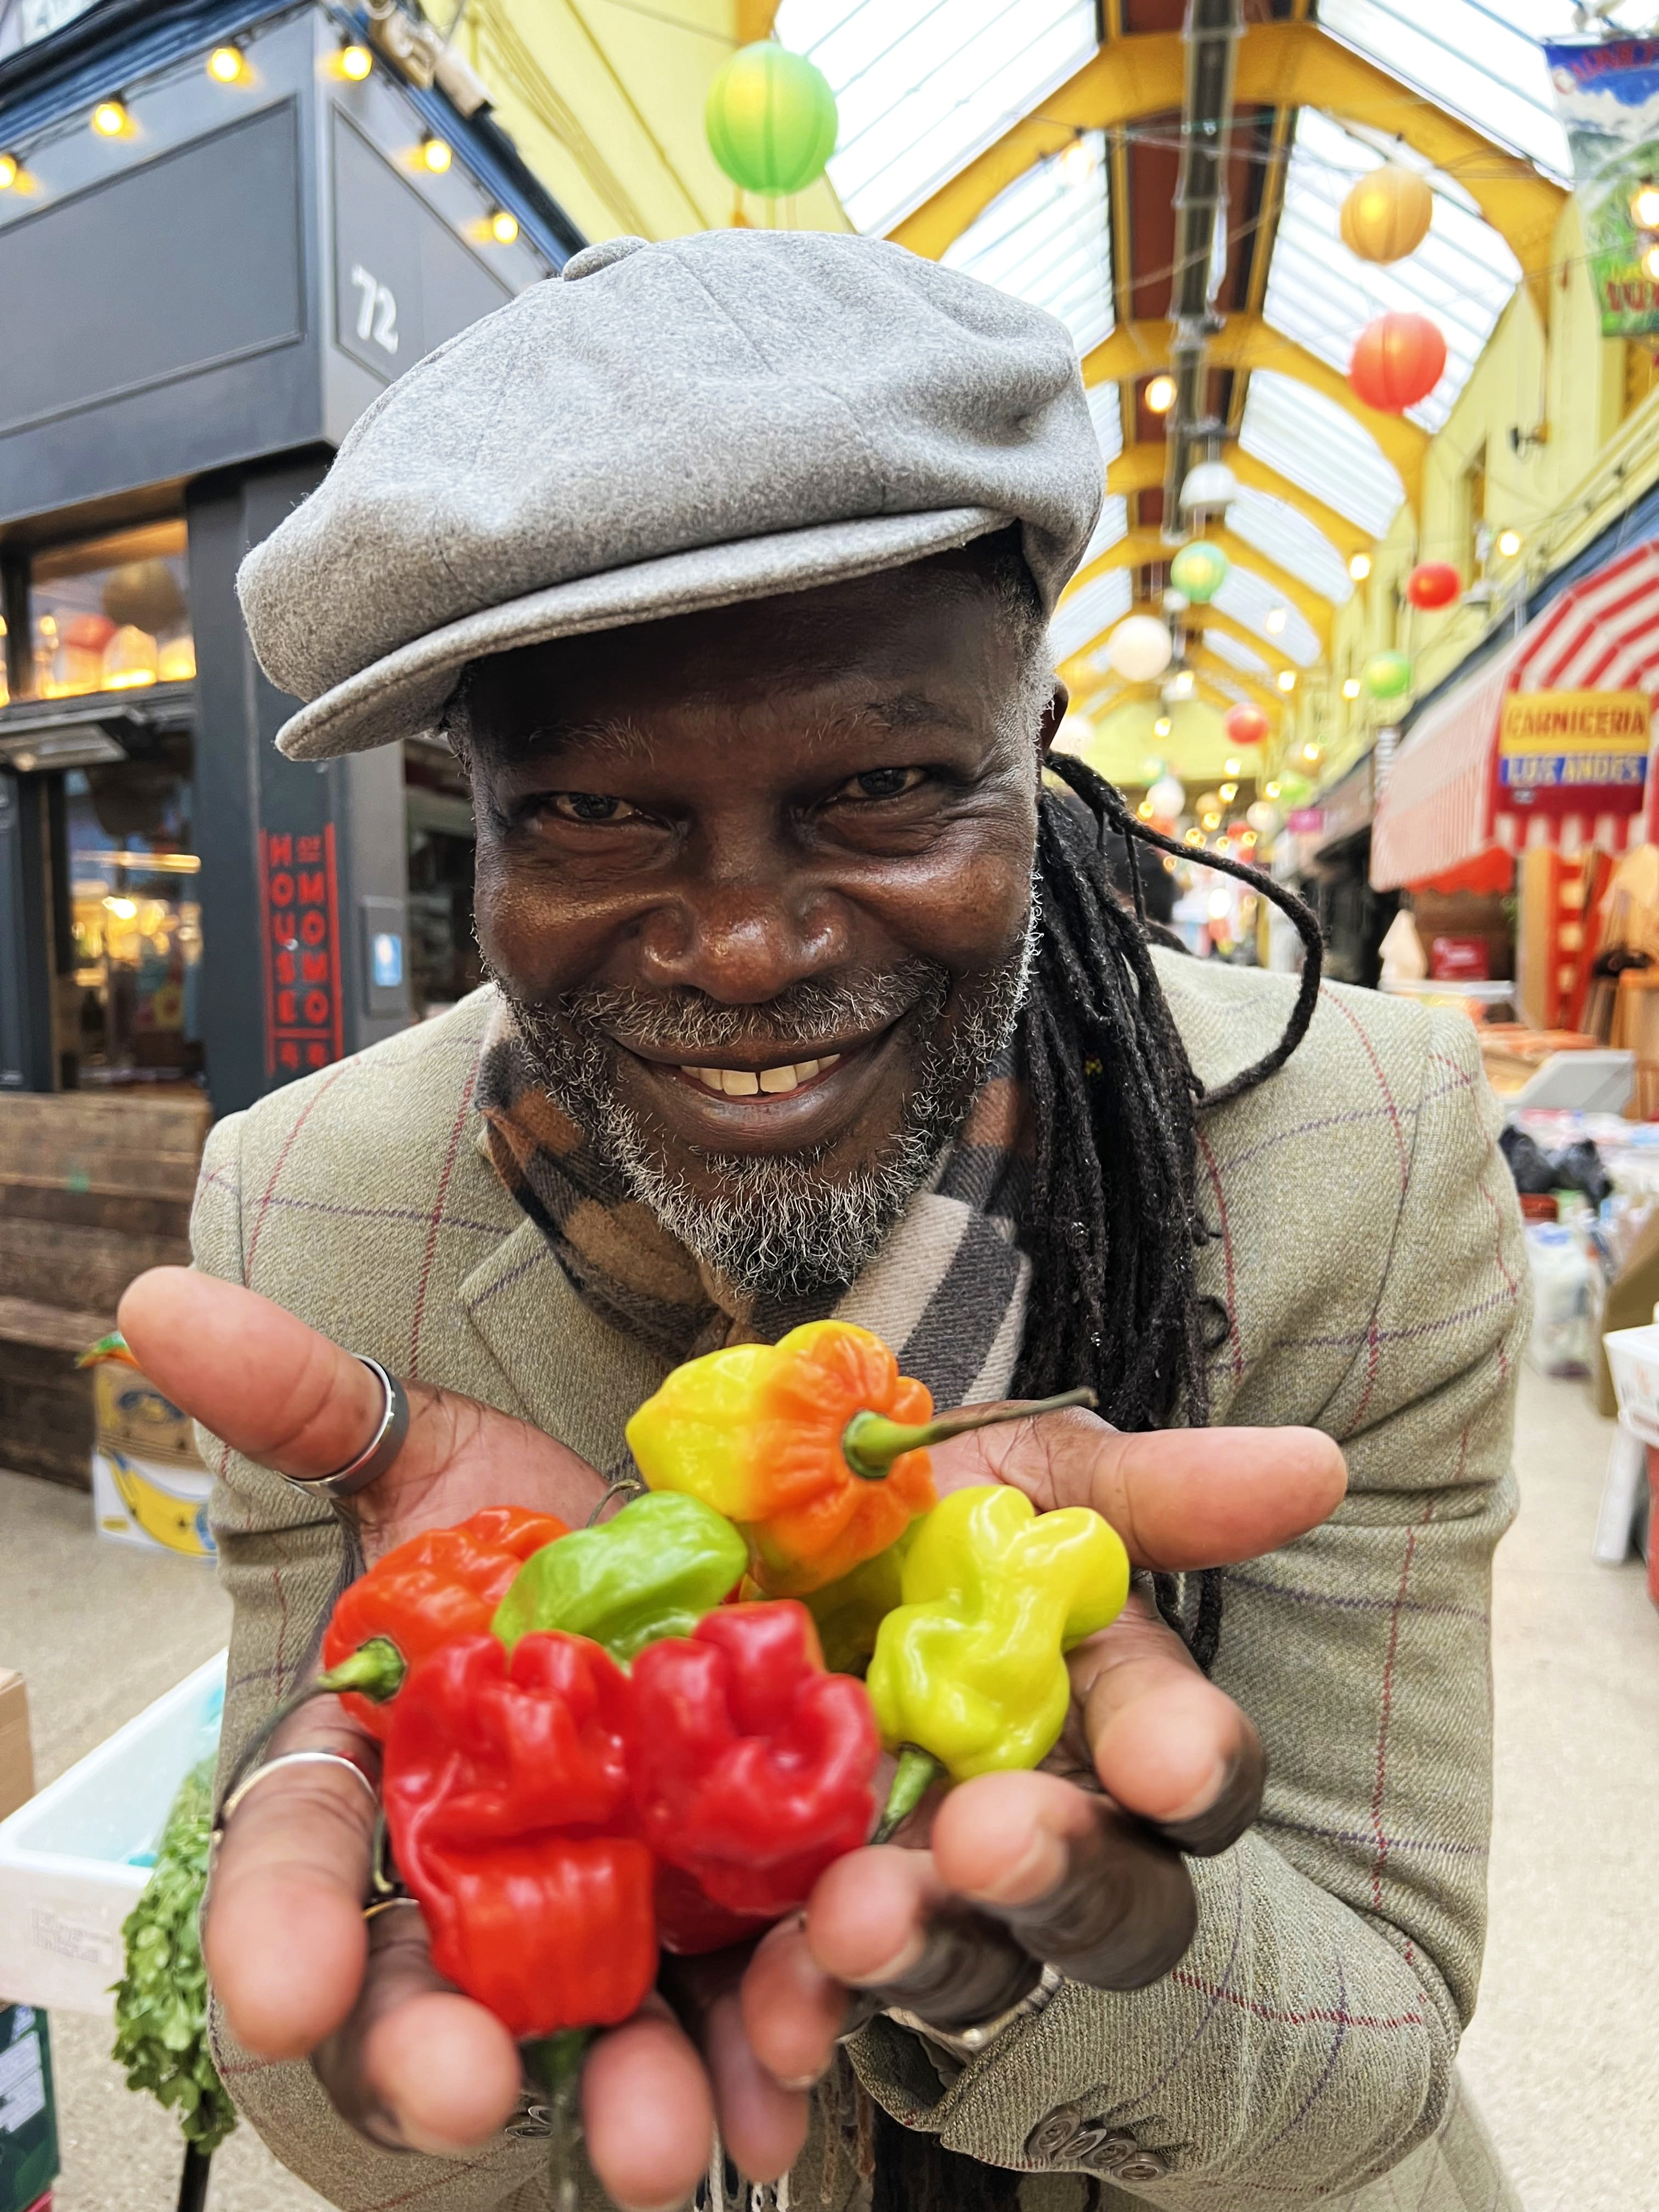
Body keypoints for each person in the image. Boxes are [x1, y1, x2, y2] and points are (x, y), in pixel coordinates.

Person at [120, 231, 1526, 2212]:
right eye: (593, 814)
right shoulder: (310, 1208)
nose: (746, 950)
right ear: (475, 813)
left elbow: (1378, 2044)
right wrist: (504, 1930)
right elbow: (323, 2046)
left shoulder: (1357, 1152)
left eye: (885, 786)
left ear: (1037, 745)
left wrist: (1014, 1962)